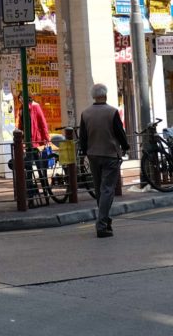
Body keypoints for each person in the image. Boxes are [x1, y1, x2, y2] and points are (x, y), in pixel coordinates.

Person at [79, 82, 129, 238]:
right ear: (105, 95)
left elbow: (83, 138)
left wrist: (86, 151)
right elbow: (120, 133)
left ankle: (105, 221)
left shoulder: (85, 113)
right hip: (110, 154)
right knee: (108, 189)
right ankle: (101, 224)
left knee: (100, 189)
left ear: (93, 96)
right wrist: (125, 147)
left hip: (93, 155)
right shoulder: (112, 112)